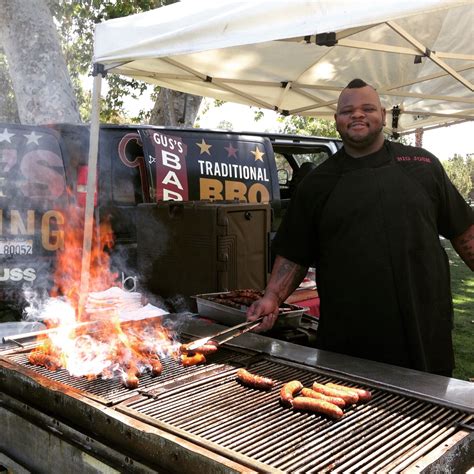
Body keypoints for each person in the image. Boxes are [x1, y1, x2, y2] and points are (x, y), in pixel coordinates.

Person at [247, 78, 474, 377]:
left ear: (381, 113)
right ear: (336, 120)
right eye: (347, 110)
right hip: (350, 334)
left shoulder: (422, 165)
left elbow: (464, 232)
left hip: (424, 327)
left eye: (367, 108)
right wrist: (272, 298)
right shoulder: (317, 184)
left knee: (428, 416)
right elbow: (294, 253)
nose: (357, 115)